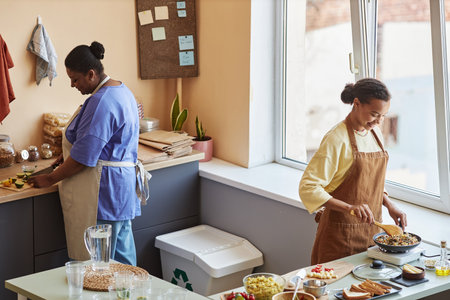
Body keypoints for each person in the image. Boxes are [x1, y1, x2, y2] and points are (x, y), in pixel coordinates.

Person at [29, 41, 150, 266]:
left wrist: (50, 178)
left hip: (103, 192)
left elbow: (83, 159)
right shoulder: (121, 90)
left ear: (91, 74)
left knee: (100, 267)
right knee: (123, 262)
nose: (73, 85)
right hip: (121, 192)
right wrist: (66, 156)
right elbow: (100, 142)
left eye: (75, 79)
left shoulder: (101, 101)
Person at [299, 78, 407, 265]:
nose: (379, 121)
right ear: (356, 103)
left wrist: (389, 205)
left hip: (372, 236)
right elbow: (308, 187)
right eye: (374, 114)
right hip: (339, 238)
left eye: (383, 115)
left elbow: (369, 183)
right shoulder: (337, 139)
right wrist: (349, 208)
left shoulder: (375, 134)